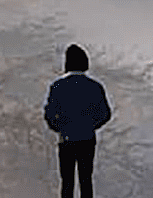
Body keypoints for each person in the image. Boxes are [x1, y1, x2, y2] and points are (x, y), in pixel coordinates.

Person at [44, 44, 112, 198]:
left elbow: (49, 114)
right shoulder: (95, 86)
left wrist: (59, 128)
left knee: (67, 182)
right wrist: (91, 126)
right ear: (85, 63)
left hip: (66, 139)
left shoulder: (58, 86)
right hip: (87, 138)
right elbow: (105, 114)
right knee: (86, 180)